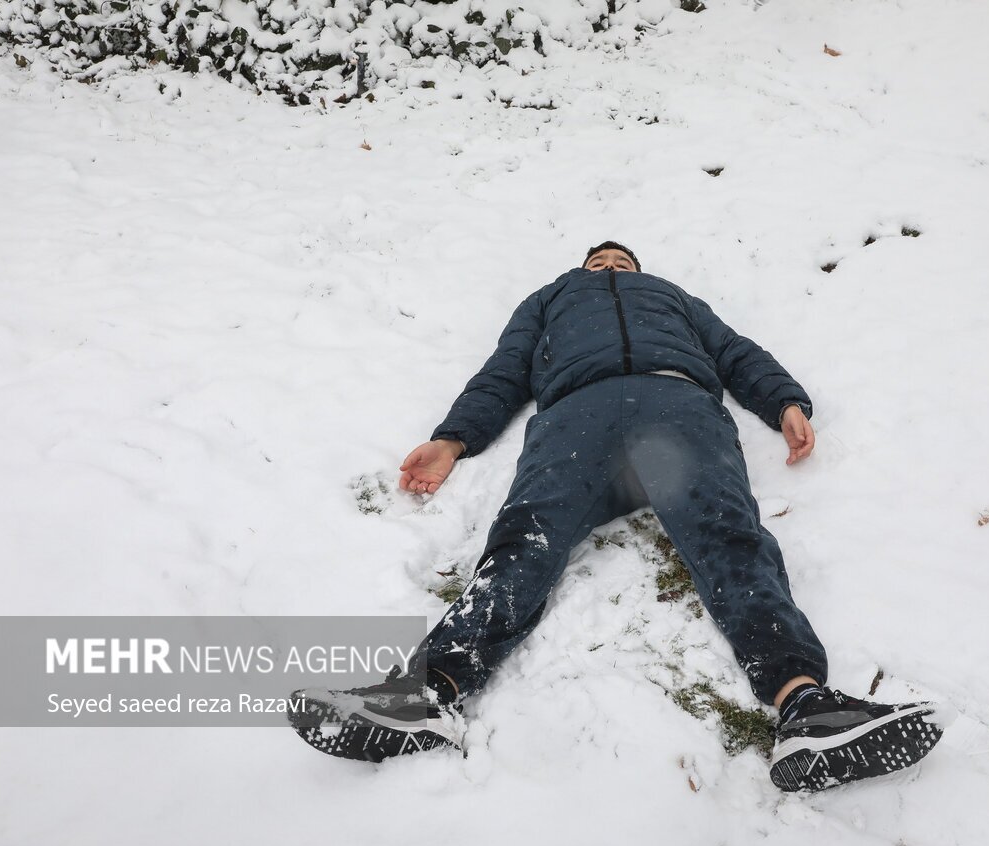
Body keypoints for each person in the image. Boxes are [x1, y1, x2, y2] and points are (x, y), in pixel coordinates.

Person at [290, 242, 942, 791]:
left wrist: (784, 402)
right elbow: (505, 370)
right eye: (599, 259)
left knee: (729, 534)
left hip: (677, 404)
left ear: (636, 269)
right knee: (523, 540)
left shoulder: (674, 298)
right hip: (579, 414)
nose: (609, 265)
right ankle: (426, 693)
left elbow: (735, 350)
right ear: (584, 268)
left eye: (620, 259)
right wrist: (454, 438)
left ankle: (805, 706)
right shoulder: (551, 299)